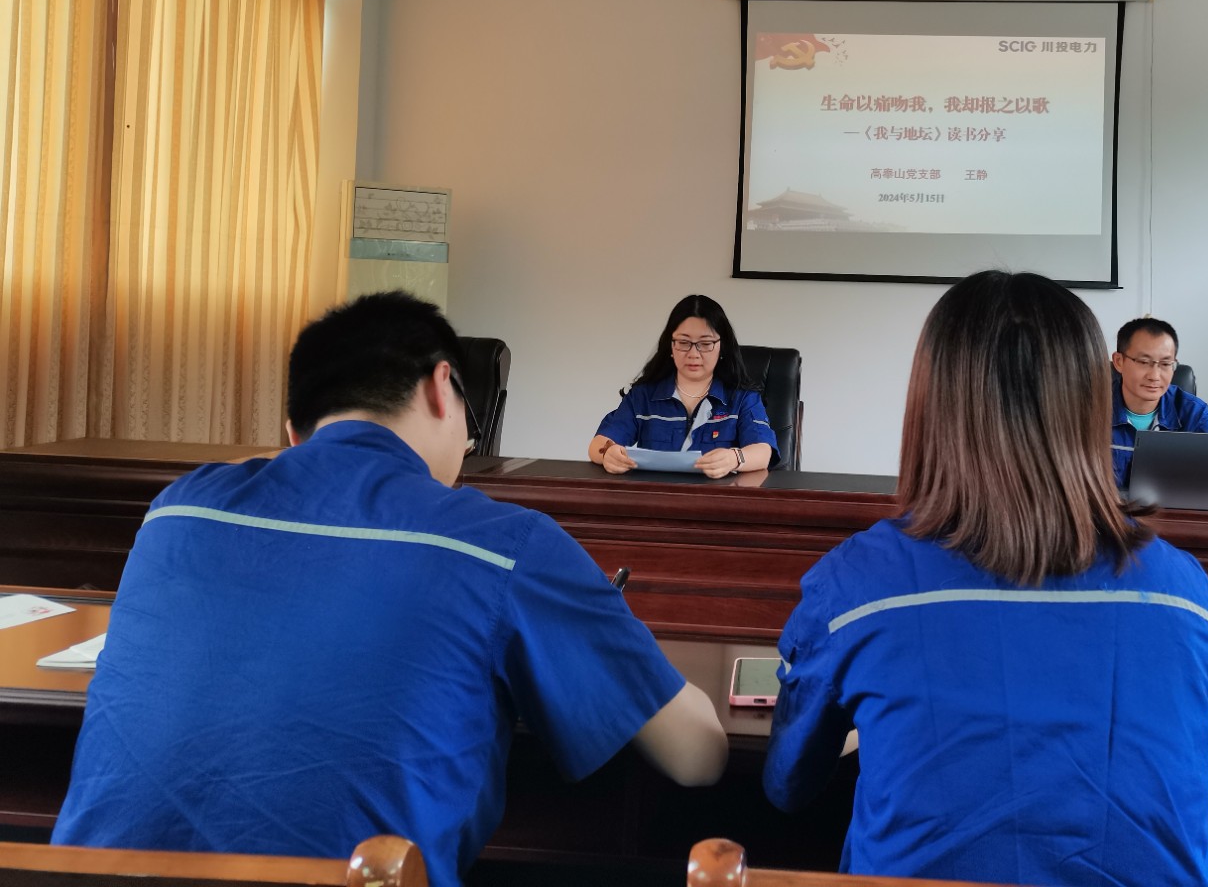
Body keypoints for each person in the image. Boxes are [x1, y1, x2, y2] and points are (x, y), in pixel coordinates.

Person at [53, 291, 727, 887]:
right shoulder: (501, 540)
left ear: (295, 432)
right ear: (441, 386)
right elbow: (695, 756)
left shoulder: (177, 510)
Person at [763, 271, 1208, 887]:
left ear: (931, 402)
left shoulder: (856, 587)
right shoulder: (1182, 591)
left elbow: (788, 783)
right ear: (1091, 397)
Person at [589, 294, 778, 478]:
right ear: (670, 346)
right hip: (657, 495)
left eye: (705, 343)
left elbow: (763, 451)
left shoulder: (742, 398)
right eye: (683, 342)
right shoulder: (643, 396)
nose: (693, 354)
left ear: (722, 347)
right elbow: (599, 443)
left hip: (718, 496)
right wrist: (608, 454)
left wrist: (734, 458)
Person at [1111, 315, 1208, 491]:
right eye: (1144, 362)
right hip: (1105, 508)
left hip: (1173, 509)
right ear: (1119, 362)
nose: (1154, 376)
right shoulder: (1088, 410)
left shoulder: (1194, 413)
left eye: (1165, 364)